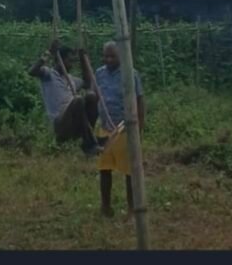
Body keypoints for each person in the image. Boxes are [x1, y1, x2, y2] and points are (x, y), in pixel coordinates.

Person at [93, 40, 146, 218]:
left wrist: (140, 127)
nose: (108, 59)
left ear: (121, 56)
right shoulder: (99, 73)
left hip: (124, 128)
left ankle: (132, 208)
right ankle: (105, 207)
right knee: (104, 169)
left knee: (129, 171)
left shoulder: (131, 74)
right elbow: (94, 97)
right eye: (106, 56)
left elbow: (139, 101)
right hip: (105, 128)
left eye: (112, 56)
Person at [29, 40, 102, 155]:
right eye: (69, 61)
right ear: (59, 60)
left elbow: (87, 84)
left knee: (91, 96)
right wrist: (49, 52)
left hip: (74, 122)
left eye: (73, 61)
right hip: (60, 123)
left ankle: (86, 139)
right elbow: (32, 71)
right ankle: (89, 144)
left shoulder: (71, 79)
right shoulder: (49, 75)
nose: (72, 65)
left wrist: (83, 59)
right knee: (77, 100)